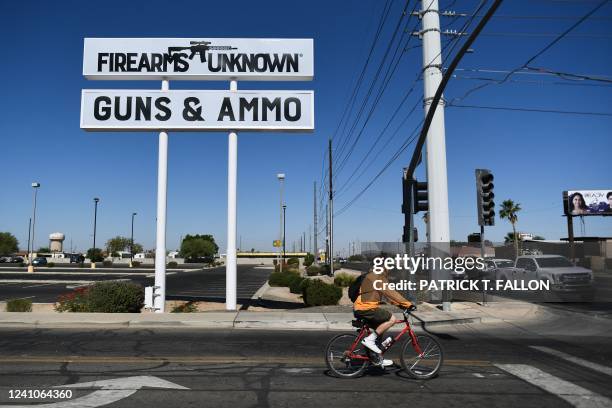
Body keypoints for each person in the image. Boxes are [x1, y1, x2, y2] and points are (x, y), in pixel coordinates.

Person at [353, 266, 415, 367]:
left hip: (360, 307)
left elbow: (389, 297)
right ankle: (369, 340)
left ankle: (376, 357)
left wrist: (401, 305)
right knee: (392, 319)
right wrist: (408, 305)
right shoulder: (378, 278)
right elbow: (391, 293)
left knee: (380, 327)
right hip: (366, 308)